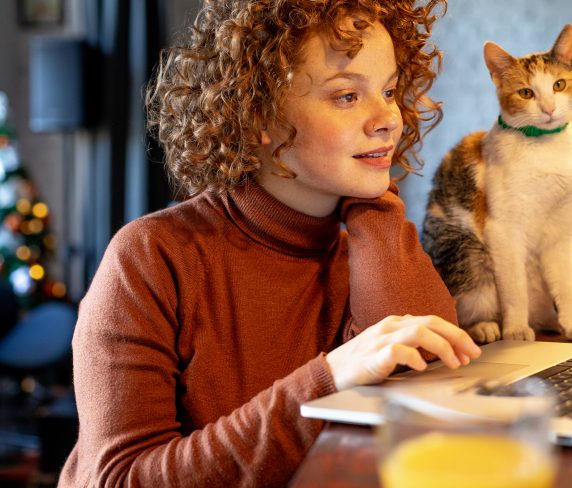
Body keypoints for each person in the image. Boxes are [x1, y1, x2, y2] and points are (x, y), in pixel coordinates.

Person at [58, 1, 481, 486]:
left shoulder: (368, 251)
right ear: (257, 113)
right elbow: (119, 479)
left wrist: (377, 206)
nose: (389, 118)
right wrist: (326, 382)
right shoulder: (150, 258)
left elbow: (428, 399)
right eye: (347, 96)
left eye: (389, 90)